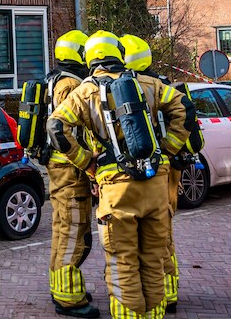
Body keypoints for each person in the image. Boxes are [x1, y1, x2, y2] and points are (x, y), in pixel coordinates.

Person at [49, 31, 190, 319]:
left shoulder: (84, 92)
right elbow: (185, 108)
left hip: (116, 189)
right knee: (153, 259)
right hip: (154, 183)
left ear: (89, 58)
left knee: (123, 260)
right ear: (119, 55)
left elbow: (56, 128)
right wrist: (167, 149)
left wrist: (86, 163)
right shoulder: (147, 83)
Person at [120, 34, 200, 315]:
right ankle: (168, 290)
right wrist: (170, 149)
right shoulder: (161, 83)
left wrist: (166, 148)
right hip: (169, 167)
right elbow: (185, 114)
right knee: (163, 231)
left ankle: (162, 293)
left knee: (156, 234)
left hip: (157, 169)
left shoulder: (137, 87)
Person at [45, 30, 98, 318]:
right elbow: (70, 130)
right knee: (74, 231)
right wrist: (88, 162)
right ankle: (69, 299)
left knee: (62, 229)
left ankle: (62, 287)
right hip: (70, 169)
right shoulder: (70, 84)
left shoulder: (55, 79)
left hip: (60, 168)